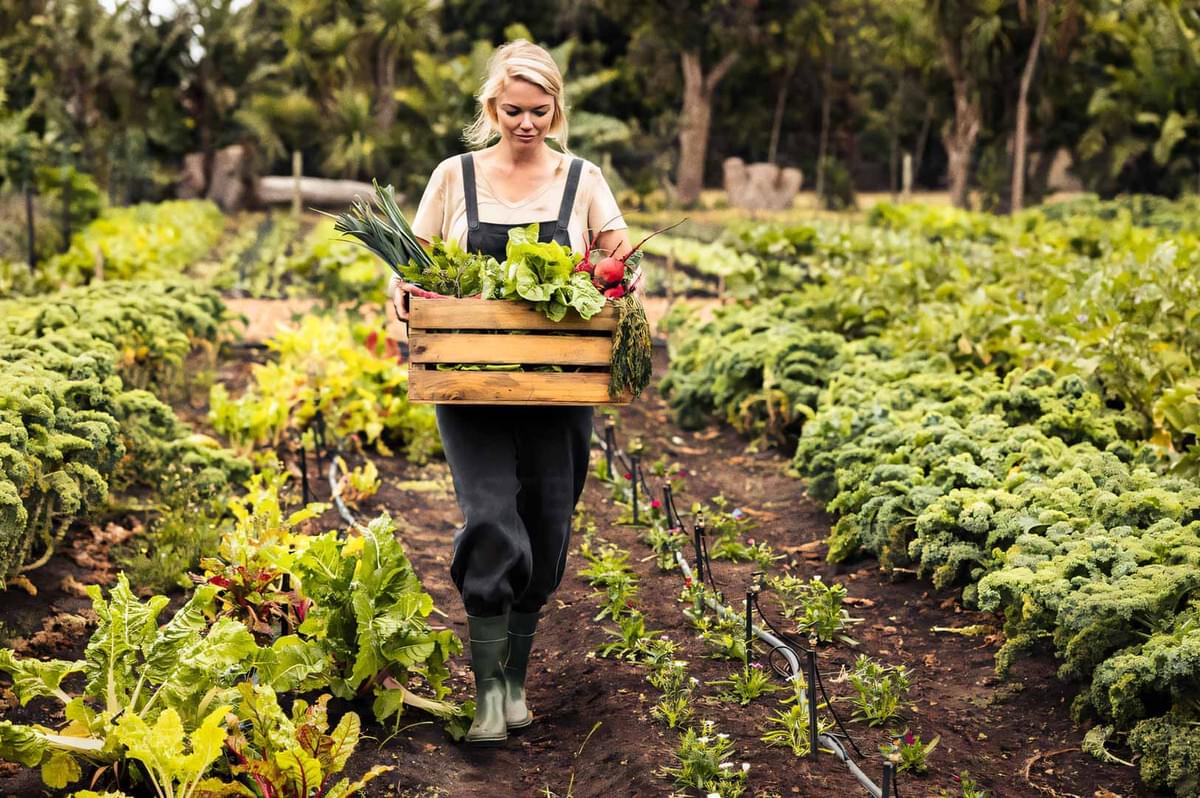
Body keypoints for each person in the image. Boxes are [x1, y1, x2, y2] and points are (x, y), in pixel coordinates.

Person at [390, 39, 633, 745]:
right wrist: (403, 298)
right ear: (491, 109)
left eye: (539, 110)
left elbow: (617, 254)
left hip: (560, 388)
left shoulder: (582, 179)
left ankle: (518, 680)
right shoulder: (453, 177)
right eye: (512, 110)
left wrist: (623, 278)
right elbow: (407, 272)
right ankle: (490, 696)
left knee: (550, 526)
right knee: (493, 517)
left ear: (556, 109)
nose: (525, 123)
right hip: (471, 383)